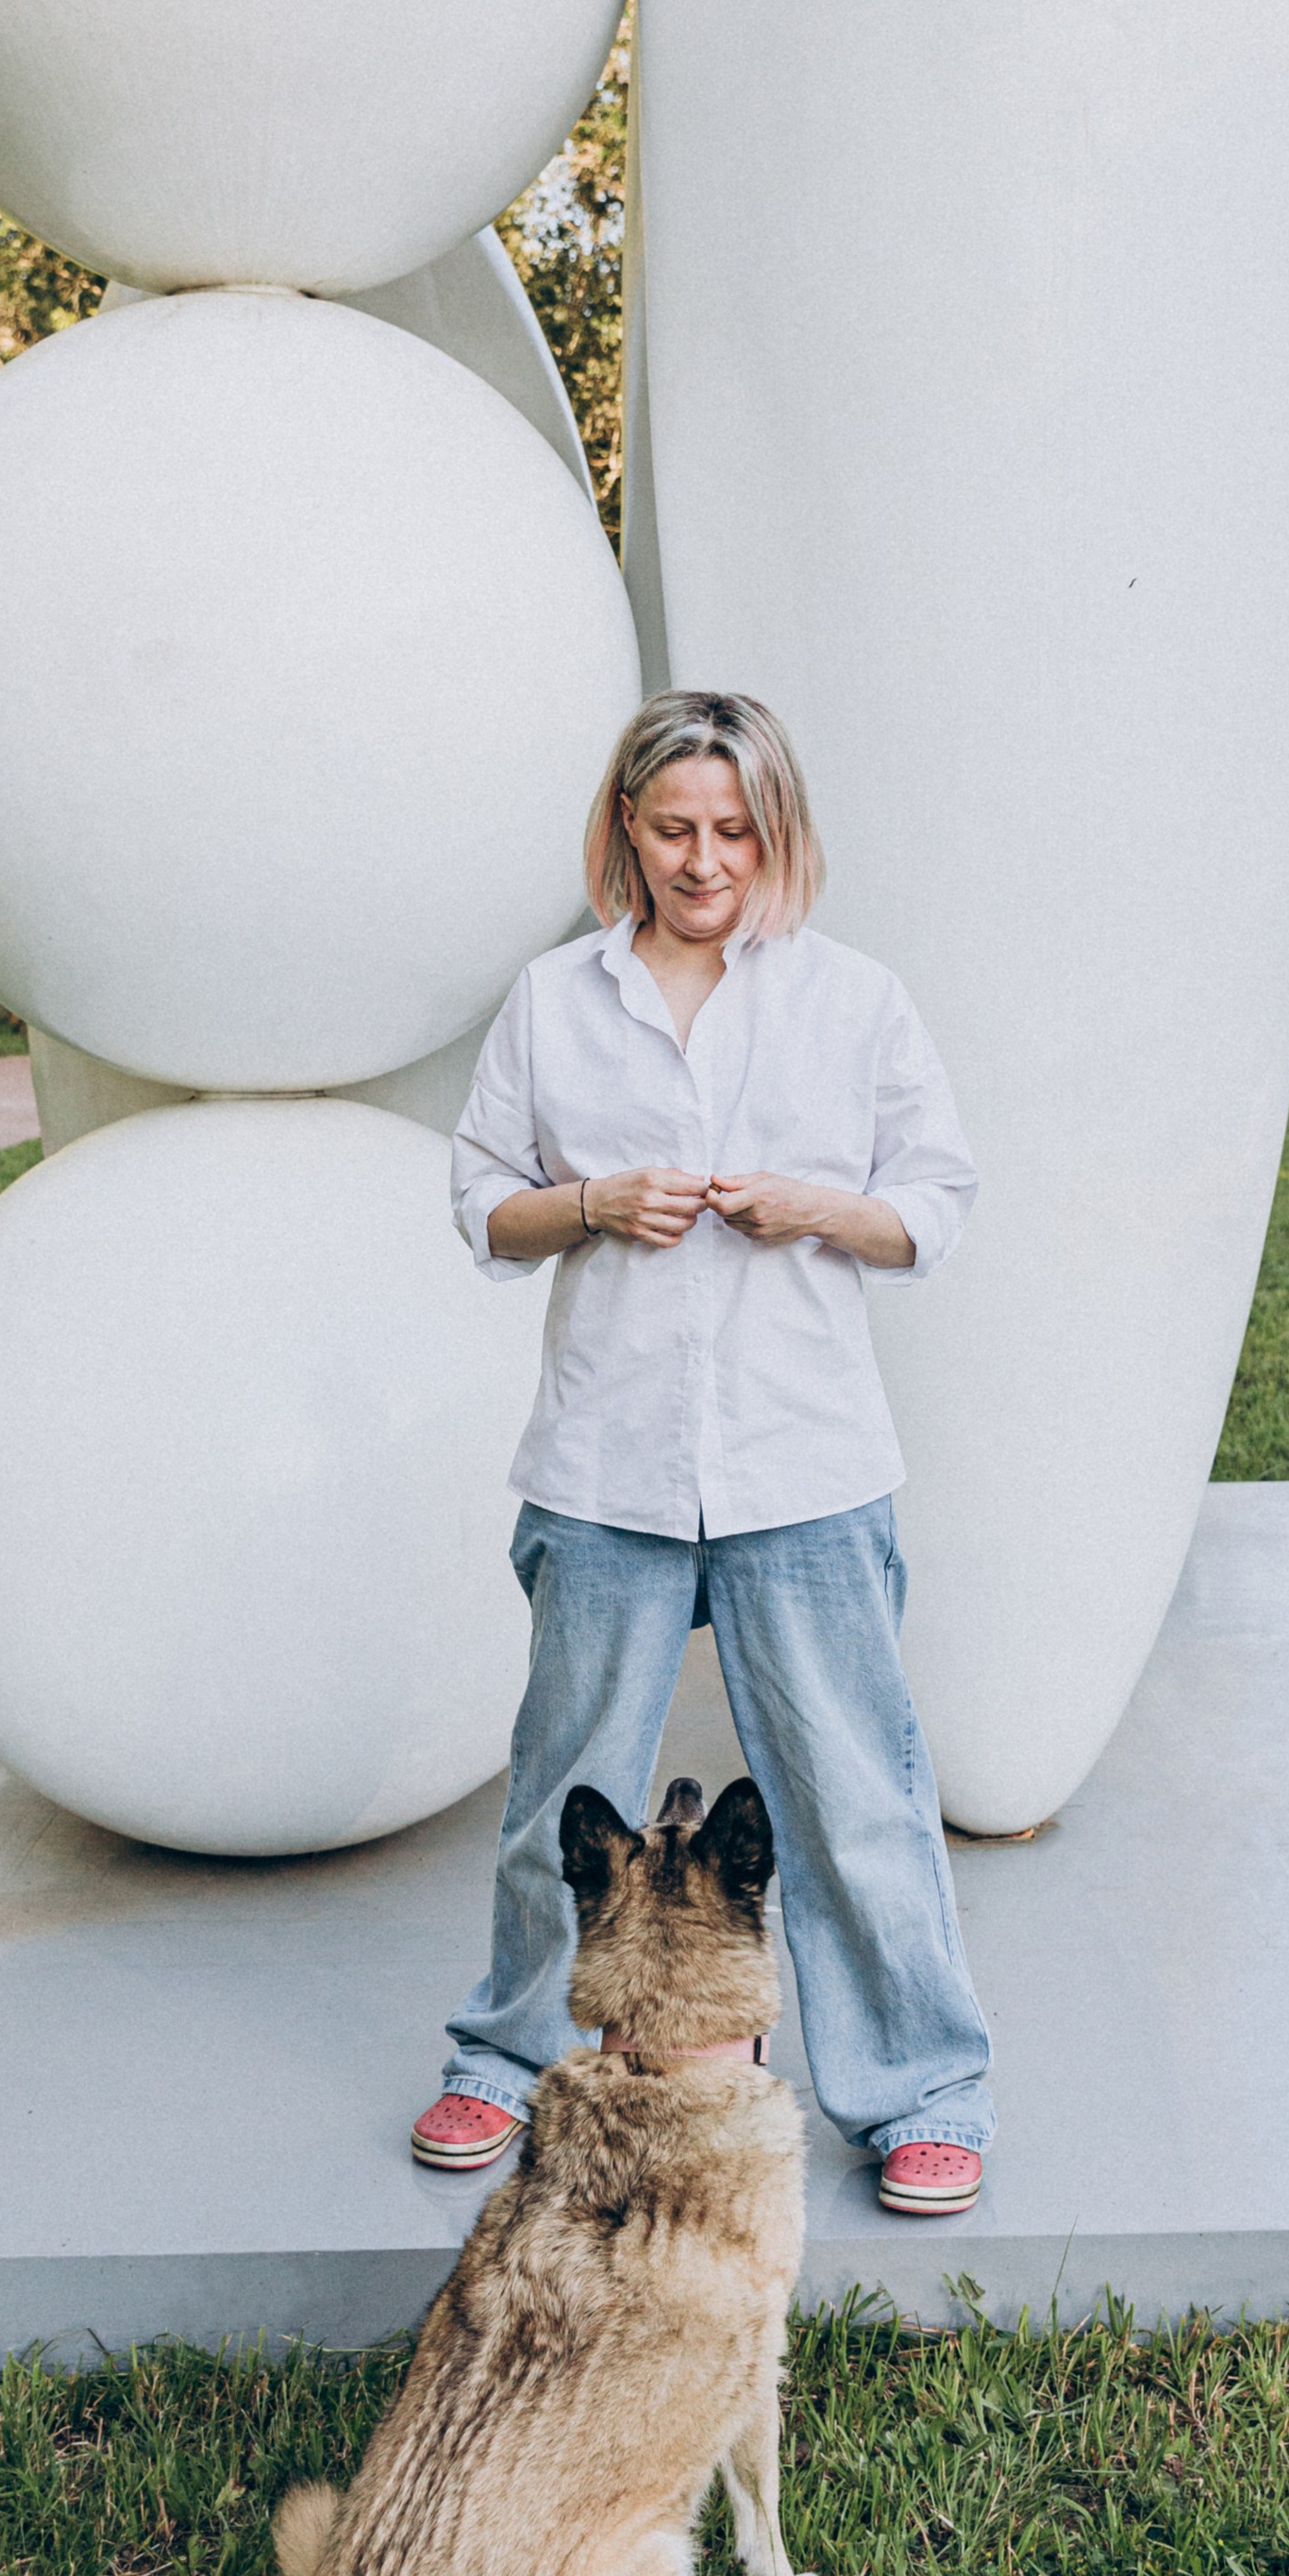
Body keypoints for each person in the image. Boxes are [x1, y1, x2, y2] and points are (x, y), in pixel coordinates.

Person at [411, 688, 996, 2218]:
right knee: (569, 1795)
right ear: (626, 828)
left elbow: (934, 1205)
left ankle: (924, 2092)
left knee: (855, 1797)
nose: (704, 857)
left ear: (777, 831)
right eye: (674, 827)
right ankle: (507, 2061)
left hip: (803, 1467)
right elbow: (483, 1205)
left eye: (734, 829)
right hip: (606, 1468)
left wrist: (814, 1207)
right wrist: (595, 1205)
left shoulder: (853, 1001)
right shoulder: (554, 1001)